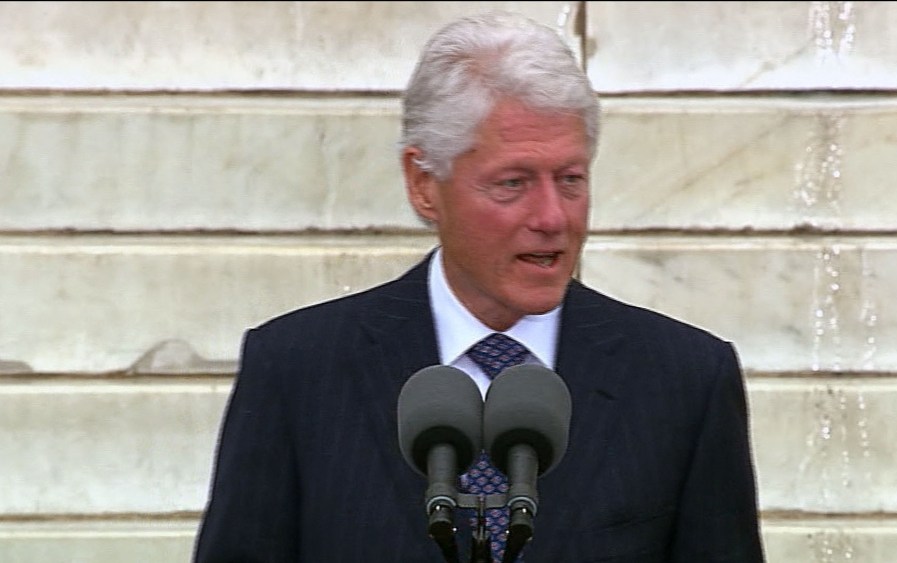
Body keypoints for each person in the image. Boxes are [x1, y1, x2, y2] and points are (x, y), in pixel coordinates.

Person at [194, 10, 764, 563]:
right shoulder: (297, 371)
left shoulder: (686, 381)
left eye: (570, 179)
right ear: (423, 184)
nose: (553, 217)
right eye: (513, 183)